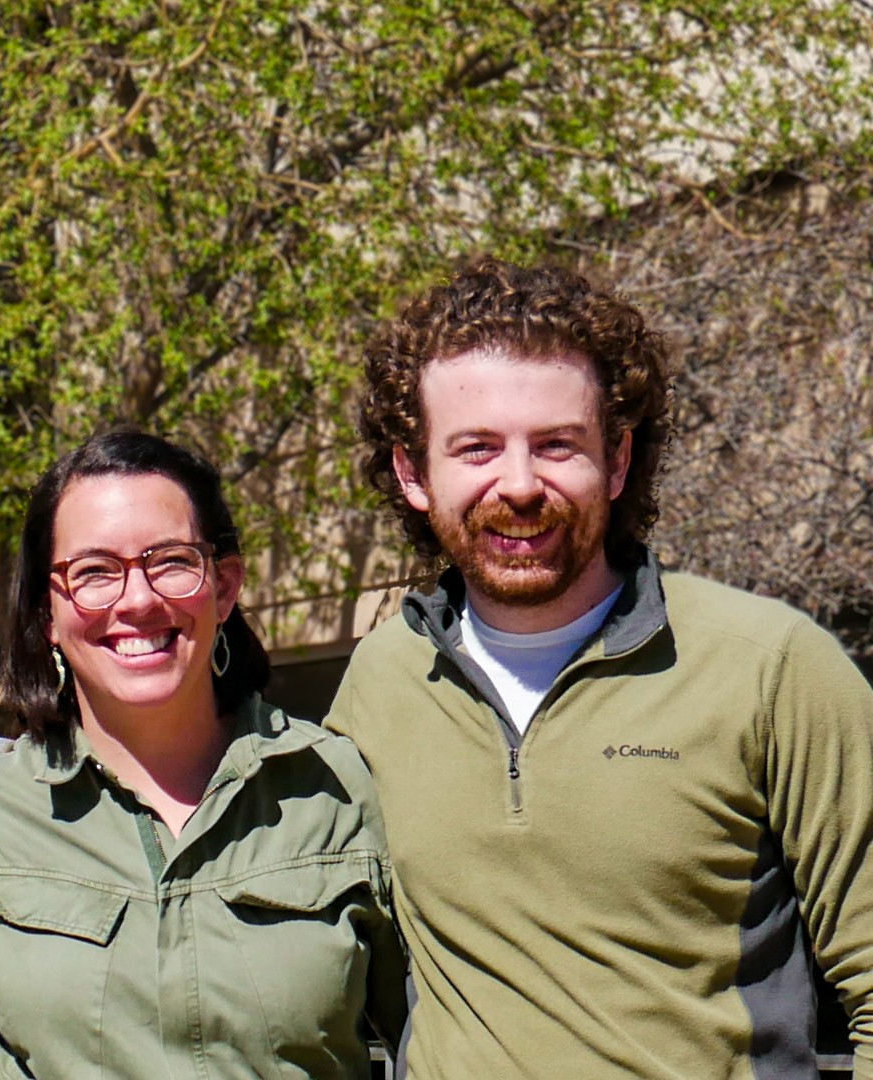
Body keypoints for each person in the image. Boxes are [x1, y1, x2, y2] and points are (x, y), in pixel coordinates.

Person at [332, 256, 873, 1078]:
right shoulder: (381, 685)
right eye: (476, 448)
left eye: (557, 444)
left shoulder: (771, 669)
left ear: (617, 461)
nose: (518, 484)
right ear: (414, 473)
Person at [0, 429, 406, 1079]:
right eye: (93, 572)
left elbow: (435, 1042)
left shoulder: (341, 791)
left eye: (170, 561)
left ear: (223, 587)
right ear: (45, 612)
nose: (138, 600)